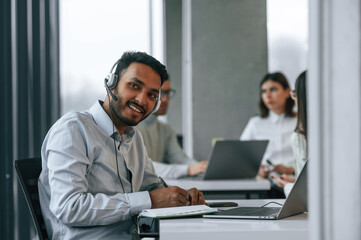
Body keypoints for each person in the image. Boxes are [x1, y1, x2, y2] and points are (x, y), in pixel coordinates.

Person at [38, 51, 206, 239]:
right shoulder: (73, 129)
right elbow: (69, 207)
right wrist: (148, 200)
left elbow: (152, 186)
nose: (142, 100)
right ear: (111, 83)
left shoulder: (133, 138)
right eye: (134, 86)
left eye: (152, 95)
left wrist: (180, 198)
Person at [136, 77, 208, 179]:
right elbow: (142, 167)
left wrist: (203, 168)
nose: (165, 99)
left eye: (168, 92)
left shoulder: (165, 129)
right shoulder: (130, 129)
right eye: (160, 92)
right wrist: (188, 170)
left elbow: (180, 158)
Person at [240, 72, 297, 179]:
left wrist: (291, 169)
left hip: (296, 181)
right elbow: (240, 156)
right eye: (264, 91)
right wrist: (257, 170)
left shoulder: (300, 121)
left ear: (287, 92)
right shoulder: (255, 123)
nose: (268, 95)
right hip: (267, 184)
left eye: (273, 89)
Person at [273, 71, 308, 196]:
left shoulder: (300, 135)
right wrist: (296, 183)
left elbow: (308, 194)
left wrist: (289, 186)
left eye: (295, 95)